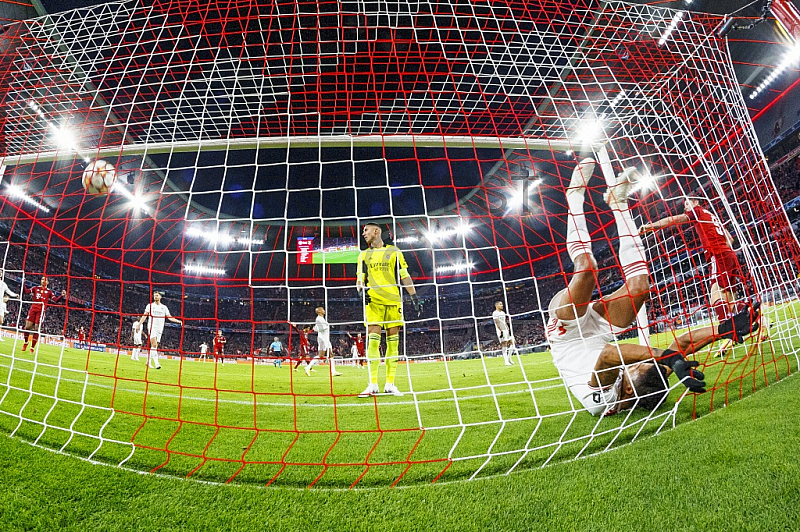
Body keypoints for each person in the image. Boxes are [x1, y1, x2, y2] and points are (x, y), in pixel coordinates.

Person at [546, 158, 760, 416]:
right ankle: (619, 204)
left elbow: (609, 354)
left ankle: (574, 198)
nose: (643, 362)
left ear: (627, 391)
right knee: (640, 288)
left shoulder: (603, 400)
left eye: (642, 365)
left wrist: (667, 358)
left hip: (565, 334)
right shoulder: (647, 378)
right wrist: (724, 329)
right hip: (601, 330)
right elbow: (683, 341)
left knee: (588, 269)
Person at [640, 196, 748, 322]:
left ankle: (728, 331)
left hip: (717, 255)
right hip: (729, 254)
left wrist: (650, 226)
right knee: (731, 302)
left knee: (715, 295)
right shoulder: (712, 216)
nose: (685, 207)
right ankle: (758, 319)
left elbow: (673, 219)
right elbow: (730, 238)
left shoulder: (697, 211)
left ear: (695, 202)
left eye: (687, 204)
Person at [356, 222, 422, 398]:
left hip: (394, 301)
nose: (363, 234)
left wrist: (414, 297)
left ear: (376, 231)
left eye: (366, 230)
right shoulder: (363, 255)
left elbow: (405, 275)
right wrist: (362, 293)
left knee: (393, 343)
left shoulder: (394, 251)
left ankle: (390, 384)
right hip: (374, 302)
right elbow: (360, 280)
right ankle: (372, 384)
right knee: (373, 342)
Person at [136, 291, 182, 370]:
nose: (155, 297)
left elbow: (169, 317)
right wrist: (139, 324)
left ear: (160, 297)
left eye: (157, 295)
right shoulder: (150, 306)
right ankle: (157, 363)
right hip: (152, 326)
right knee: (154, 344)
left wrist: (178, 321)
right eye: (154, 296)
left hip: (160, 328)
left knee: (155, 346)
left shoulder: (164, 307)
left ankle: (148, 361)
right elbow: (144, 316)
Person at [21, 276, 66, 352]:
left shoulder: (49, 292)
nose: (43, 281)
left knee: (36, 328)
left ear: (47, 282)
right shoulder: (35, 288)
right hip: (33, 309)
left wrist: (62, 295)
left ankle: (32, 347)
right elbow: (26, 292)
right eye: (42, 279)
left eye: (45, 280)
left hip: (41, 311)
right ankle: (26, 342)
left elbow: (55, 300)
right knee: (27, 327)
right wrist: (23, 283)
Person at [304, 306, 342, 377]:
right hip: (322, 339)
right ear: (319, 311)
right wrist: (327, 326)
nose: (324, 310)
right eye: (322, 310)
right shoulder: (318, 319)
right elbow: (321, 329)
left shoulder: (322, 319)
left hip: (326, 339)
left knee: (331, 354)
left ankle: (333, 371)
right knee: (321, 355)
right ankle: (308, 367)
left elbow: (318, 328)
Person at [492, 301, 514, 366]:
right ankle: (506, 361)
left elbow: (504, 321)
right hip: (501, 330)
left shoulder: (503, 312)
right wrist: (501, 331)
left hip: (506, 330)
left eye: (502, 304)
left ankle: (509, 358)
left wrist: (508, 328)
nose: (502, 305)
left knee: (512, 343)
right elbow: (497, 322)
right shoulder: (495, 313)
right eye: (500, 304)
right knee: (504, 344)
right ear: (496, 305)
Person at [0, 274, 18, 341]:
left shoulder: (3, 284)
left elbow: (8, 291)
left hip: (0, 304)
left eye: (1, 272)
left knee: (1, 321)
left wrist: (15, 295)